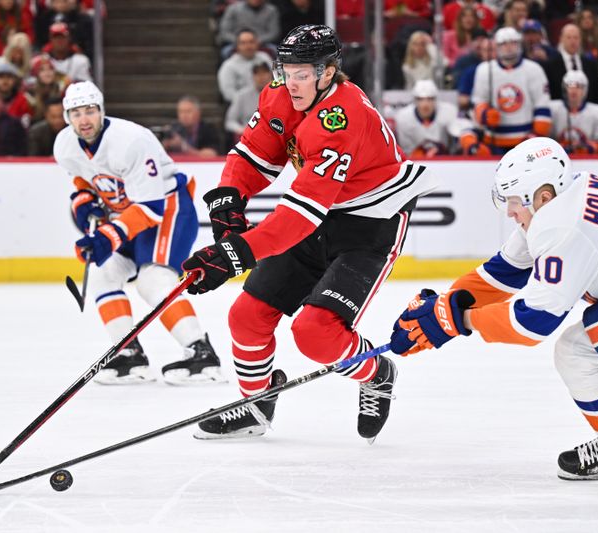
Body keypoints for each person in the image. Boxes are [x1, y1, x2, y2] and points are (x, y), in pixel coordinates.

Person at [389, 136, 598, 480]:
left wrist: (457, 321)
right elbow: (502, 273)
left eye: (514, 202)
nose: (510, 212)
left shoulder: (560, 225)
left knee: (578, 350)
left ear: (542, 196)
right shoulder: (564, 198)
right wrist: (443, 307)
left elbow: (533, 324)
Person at [181, 25, 436, 441]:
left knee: (316, 334)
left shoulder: (342, 117)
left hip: (370, 223)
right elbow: (252, 153)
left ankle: (377, 371)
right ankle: (254, 406)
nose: (291, 82)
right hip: (321, 212)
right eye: (286, 70)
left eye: (303, 73)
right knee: (246, 316)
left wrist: (235, 253)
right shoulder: (281, 94)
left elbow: (300, 216)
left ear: (329, 72)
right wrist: (227, 201)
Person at [55, 81, 225, 385]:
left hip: (168, 209)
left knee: (153, 281)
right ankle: (129, 353)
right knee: (102, 274)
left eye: (90, 111)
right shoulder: (64, 145)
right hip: (127, 215)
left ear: (102, 111)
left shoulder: (130, 141)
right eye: (76, 113)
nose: (84, 119)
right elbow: (83, 182)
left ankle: (202, 354)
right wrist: (87, 209)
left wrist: (106, 237)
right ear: (67, 117)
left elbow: (150, 208)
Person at [471, 27, 551, 154]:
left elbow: (542, 105)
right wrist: (485, 114)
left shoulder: (534, 69)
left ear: (519, 44)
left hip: (526, 141)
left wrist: (535, 137)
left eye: (513, 43)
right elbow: (478, 101)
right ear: (496, 46)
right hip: (494, 140)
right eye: (504, 44)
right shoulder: (484, 70)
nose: (509, 47)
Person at [394, 79, 464, 157]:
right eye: (420, 99)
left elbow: (456, 147)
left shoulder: (449, 112)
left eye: (430, 99)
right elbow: (407, 152)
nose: (425, 104)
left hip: (445, 160)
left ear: (435, 99)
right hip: (416, 161)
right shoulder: (403, 118)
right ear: (415, 100)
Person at [545, 24, 598, 107]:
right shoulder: (550, 66)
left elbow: (597, 94)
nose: (573, 41)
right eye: (569, 37)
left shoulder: (590, 65)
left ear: (580, 40)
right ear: (561, 39)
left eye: (576, 38)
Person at [549, 70, 598, 154]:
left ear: (585, 89)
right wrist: (560, 148)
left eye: (578, 86)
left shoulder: (597, 112)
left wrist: (586, 148)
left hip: (587, 162)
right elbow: (545, 141)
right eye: (570, 86)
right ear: (564, 88)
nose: (574, 90)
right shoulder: (553, 109)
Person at [217, 29, 273, 103]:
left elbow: (277, 80)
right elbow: (228, 94)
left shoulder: (265, 58)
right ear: (237, 46)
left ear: (257, 43)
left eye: (251, 42)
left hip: (269, 101)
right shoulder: (228, 65)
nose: (248, 46)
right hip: (242, 106)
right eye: (243, 43)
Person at [225, 61, 273, 141]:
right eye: (257, 73)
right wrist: (242, 130)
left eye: (264, 73)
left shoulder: (279, 93)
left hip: (274, 135)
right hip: (249, 137)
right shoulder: (241, 95)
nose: (261, 77)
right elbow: (230, 122)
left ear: (270, 75)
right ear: (252, 76)